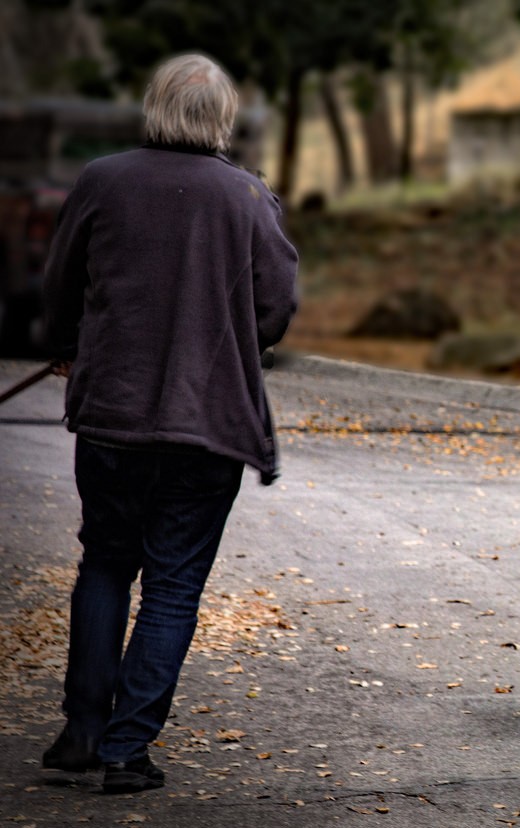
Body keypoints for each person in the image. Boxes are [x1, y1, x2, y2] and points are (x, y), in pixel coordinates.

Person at [40, 53, 299, 794]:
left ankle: (81, 732)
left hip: (114, 418)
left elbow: (60, 282)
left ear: (153, 108)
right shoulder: (248, 197)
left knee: (105, 562)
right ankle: (127, 750)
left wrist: (67, 346)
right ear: (221, 118)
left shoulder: (103, 181)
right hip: (204, 425)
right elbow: (275, 309)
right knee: (174, 586)